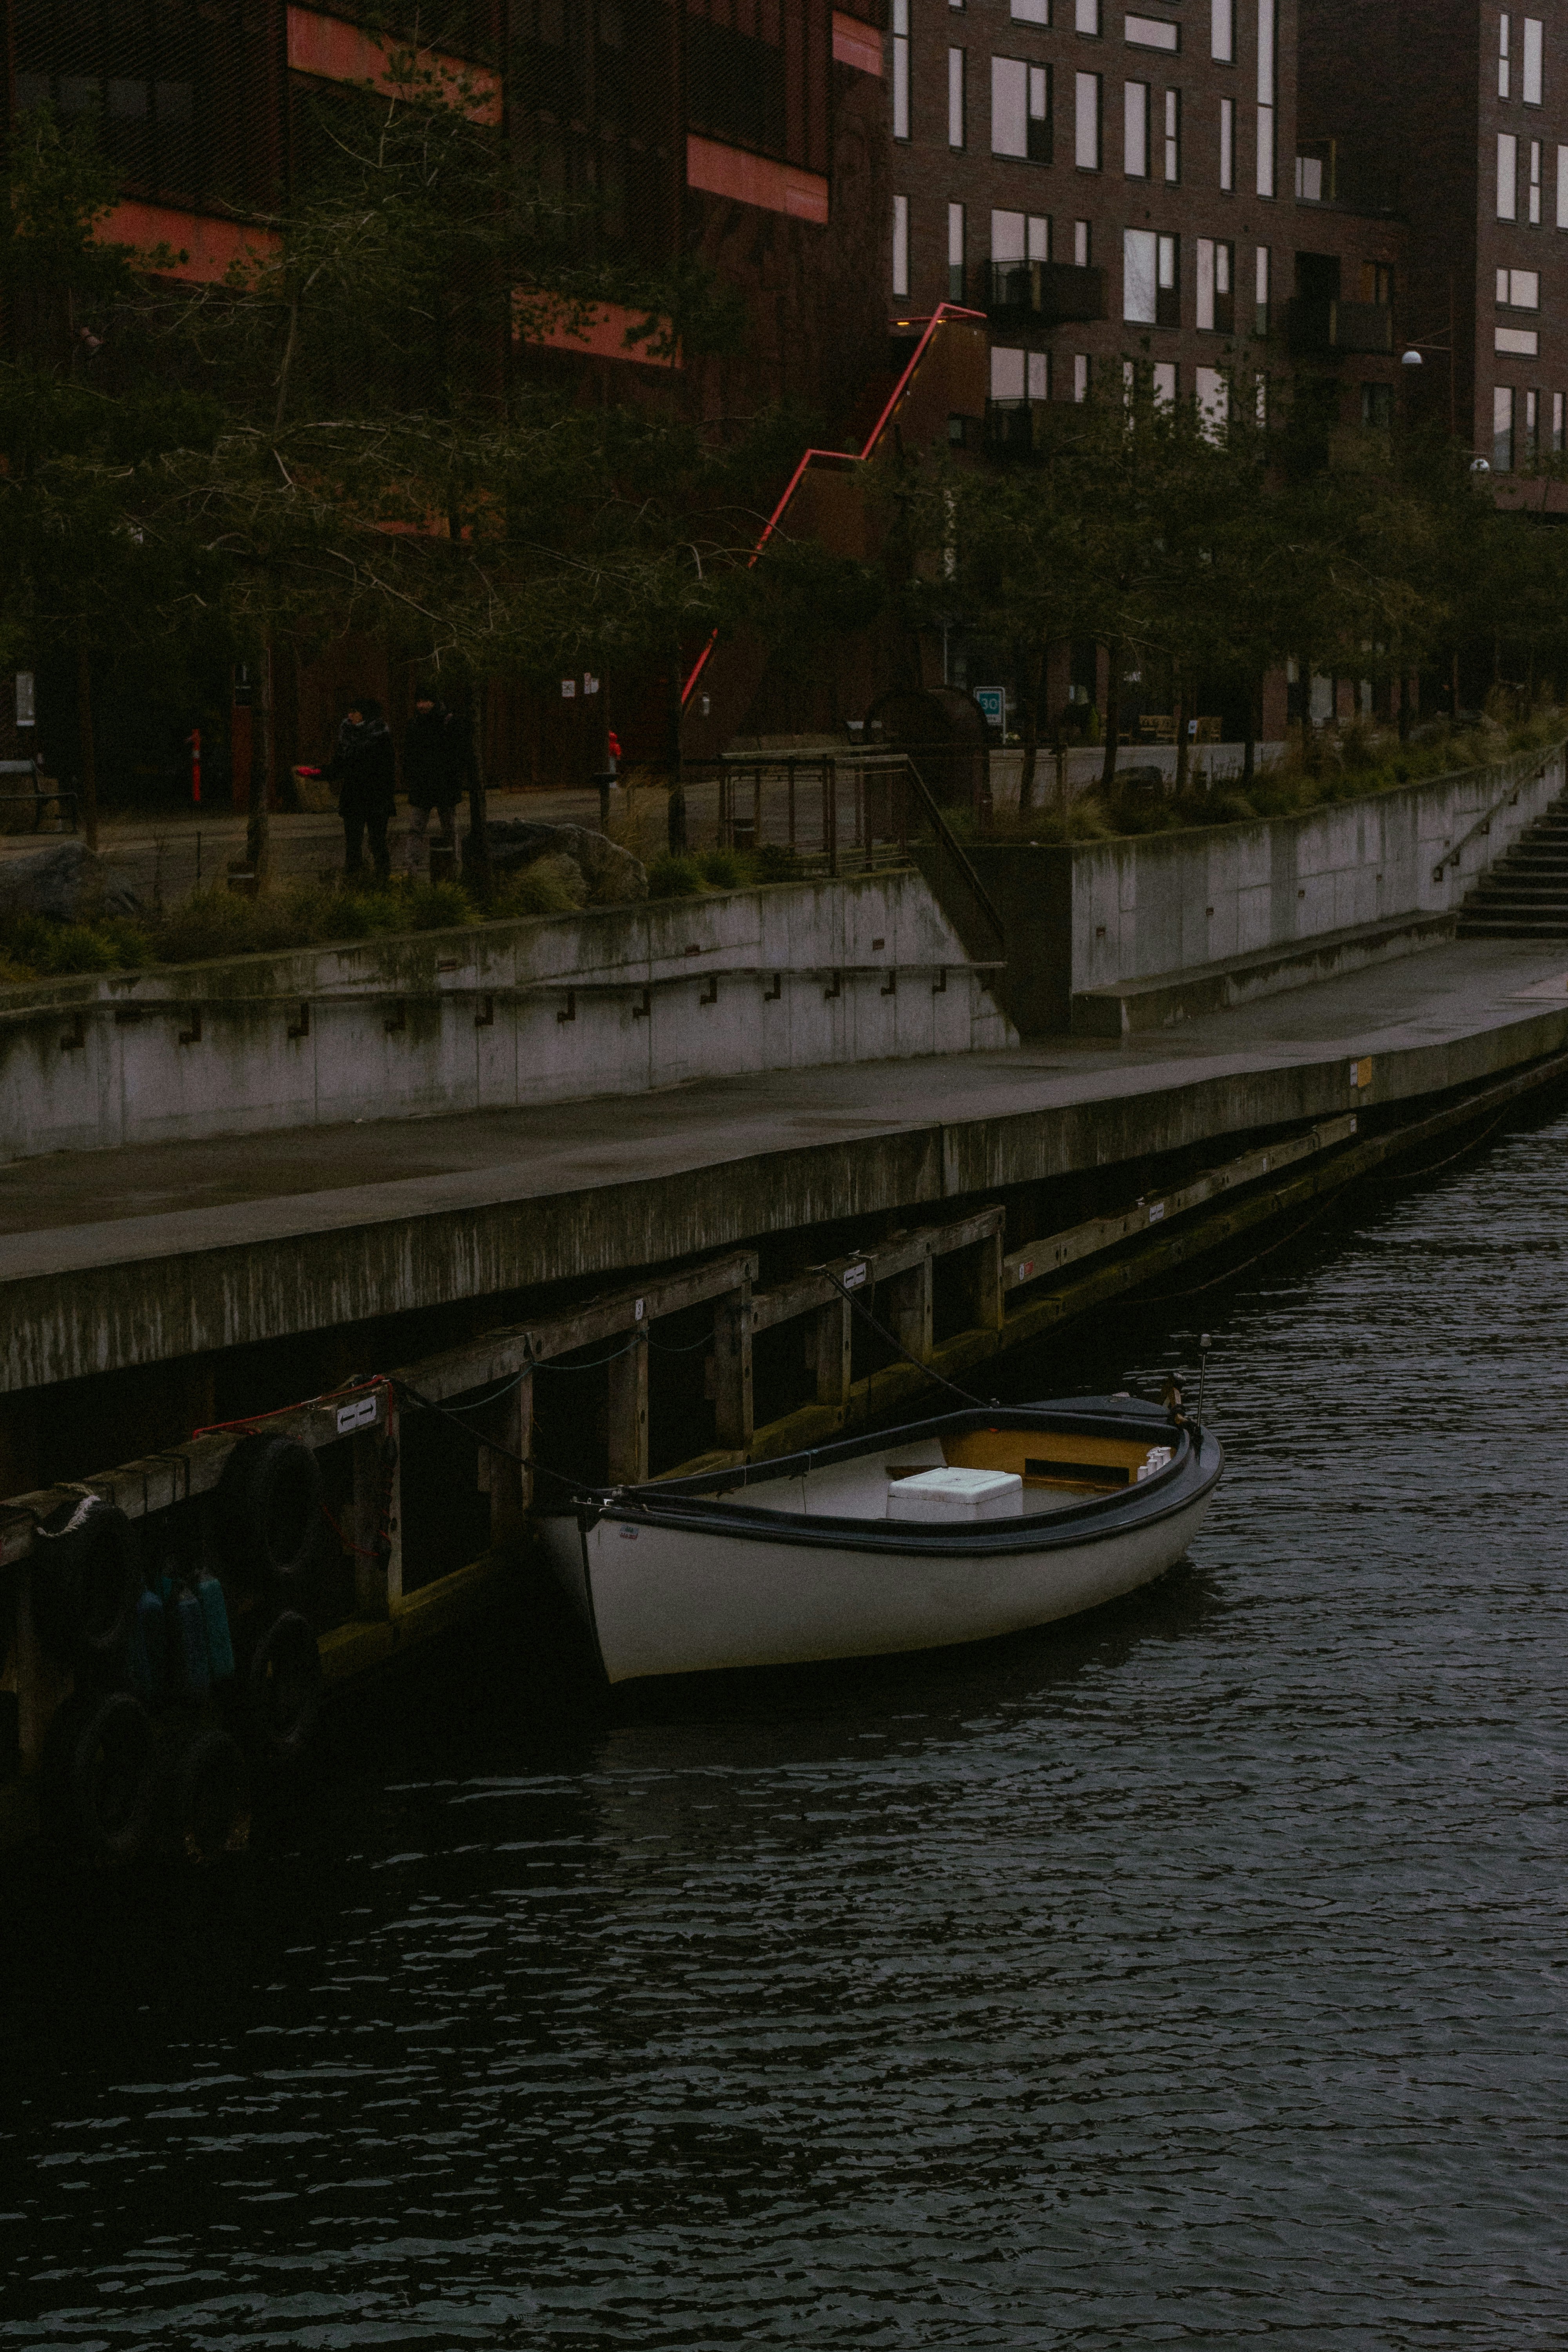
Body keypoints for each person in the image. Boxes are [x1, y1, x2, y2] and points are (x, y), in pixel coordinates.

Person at [325, 699, 396, 882]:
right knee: (353, 845)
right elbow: (338, 766)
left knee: (378, 842)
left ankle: (382, 881)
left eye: (355, 712)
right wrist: (316, 773)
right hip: (354, 797)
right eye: (350, 711)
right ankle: (354, 881)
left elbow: (387, 769)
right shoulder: (347, 735)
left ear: (365, 714)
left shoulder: (380, 736)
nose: (350, 716)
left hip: (376, 797)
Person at [402, 692, 466, 871]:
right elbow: (409, 755)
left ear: (434, 702)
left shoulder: (447, 722)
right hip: (427, 785)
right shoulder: (418, 723)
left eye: (425, 701)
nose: (421, 705)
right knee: (420, 829)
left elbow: (457, 754)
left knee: (447, 828)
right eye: (419, 701)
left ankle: (452, 864)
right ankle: (412, 868)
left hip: (440, 784)